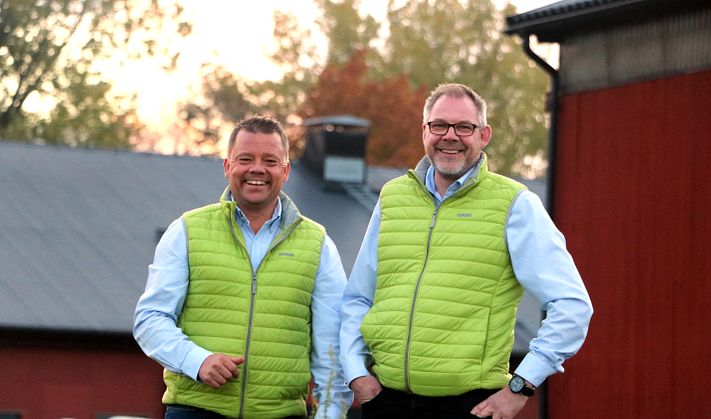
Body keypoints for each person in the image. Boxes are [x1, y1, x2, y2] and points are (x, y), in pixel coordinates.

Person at [339, 83, 593, 419]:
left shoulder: (515, 205)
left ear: (484, 135)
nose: (450, 136)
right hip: (386, 403)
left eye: (464, 127)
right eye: (439, 125)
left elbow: (572, 306)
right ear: (424, 132)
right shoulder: (392, 197)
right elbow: (359, 297)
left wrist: (521, 386)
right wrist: (355, 371)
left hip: (469, 407)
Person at [134, 115, 352, 419]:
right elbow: (150, 319)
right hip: (195, 411)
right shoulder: (186, 230)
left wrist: (331, 415)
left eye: (270, 160)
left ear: (286, 170)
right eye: (245, 159)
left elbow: (333, 348)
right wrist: (197, 361)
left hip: (281, 414)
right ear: (227, 167)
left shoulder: (318, 244)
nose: (257, 169)